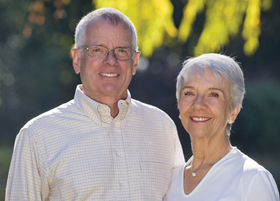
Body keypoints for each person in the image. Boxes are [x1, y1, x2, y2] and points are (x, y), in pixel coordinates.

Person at [5, 7, 185, 200]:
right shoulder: (37, 136)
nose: (110, 60)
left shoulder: (162, 126)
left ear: (134, 62)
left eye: (121, 50)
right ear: (77, 59)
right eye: (97, 50)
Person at [164, 53, 279, 200]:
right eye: (189, 93)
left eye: (213, 94)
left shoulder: (252, 179)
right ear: (180, 107)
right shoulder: (169, 180)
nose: (198, 104)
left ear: (233, 111)